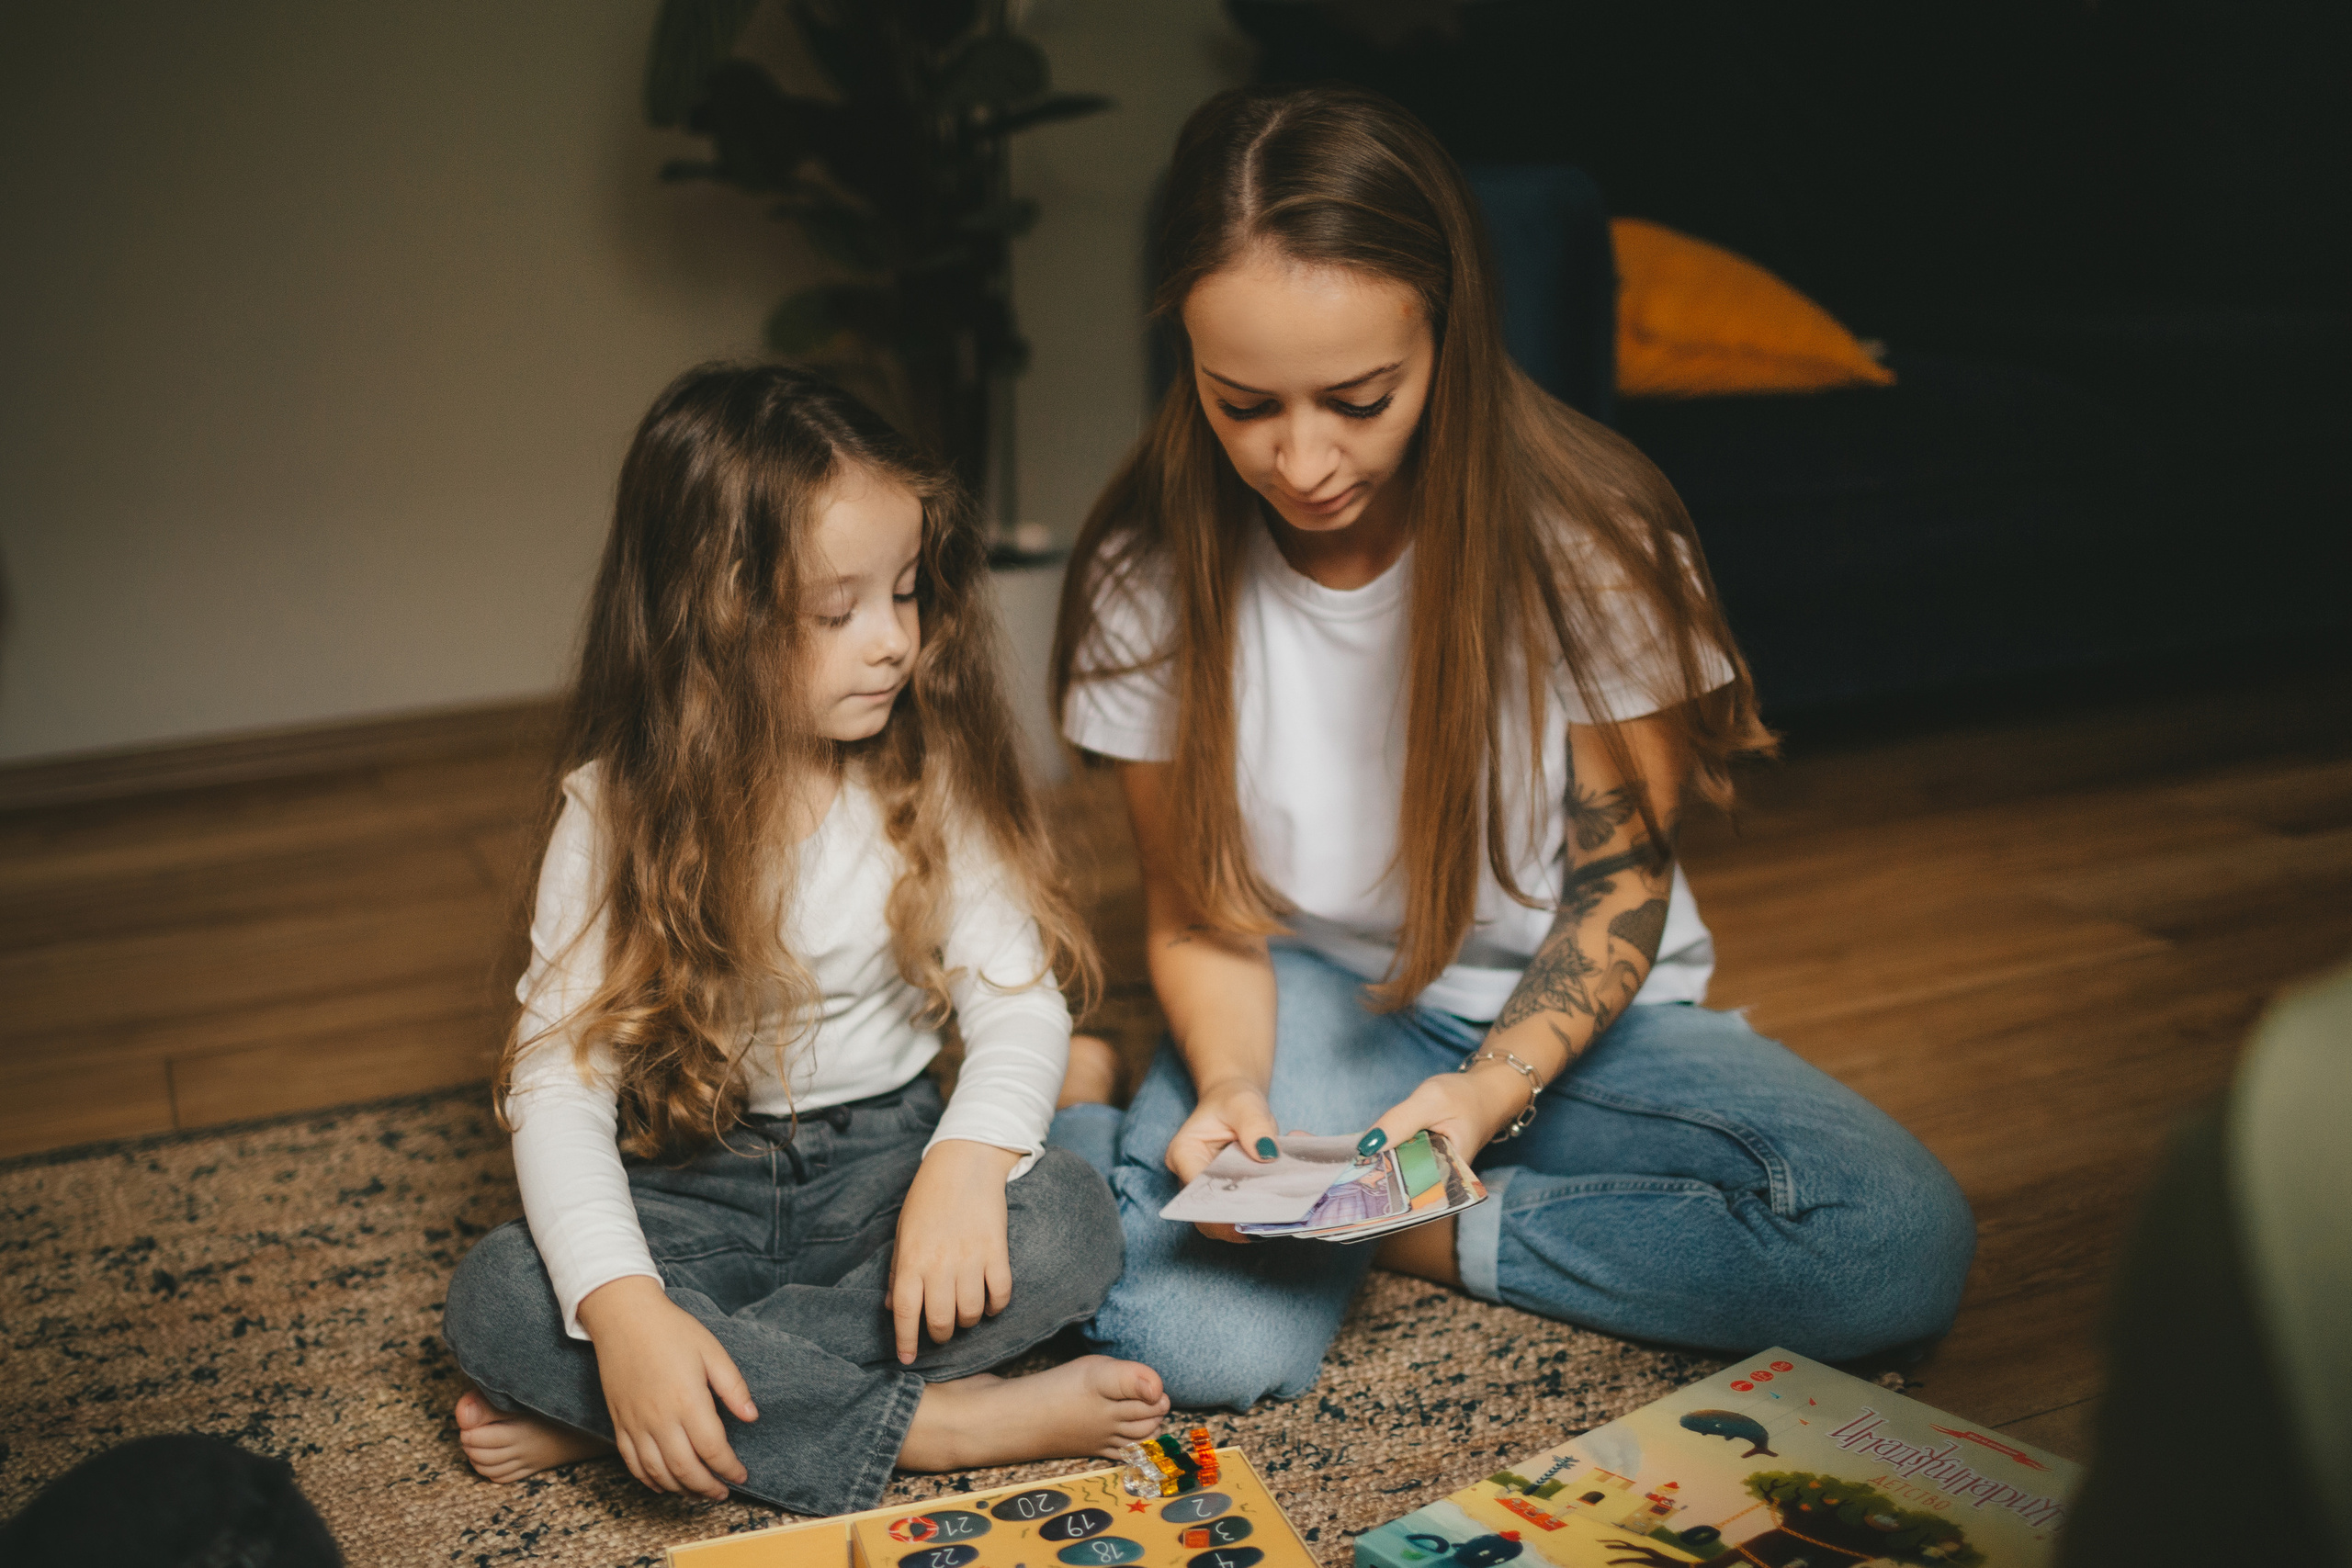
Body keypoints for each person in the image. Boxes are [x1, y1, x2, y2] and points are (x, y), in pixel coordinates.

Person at [1048, 85, 1976, 1411]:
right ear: (1184, 354)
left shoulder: (1587, 538)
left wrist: (1479, 1102)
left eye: (1360, 398)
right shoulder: (1147, 569)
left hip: (1563, 1024)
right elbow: (1199, 917)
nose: (1302, 460)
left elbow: (1618, 887)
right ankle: (1098, 1114)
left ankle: (1406, 1223)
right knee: (1196, 1346)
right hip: (1306, 991)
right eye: (1244, 402)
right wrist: (1241, 1084)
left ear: (1449, 333)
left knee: (1887, 1239)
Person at [441, 364, 1168, 1518]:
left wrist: (965, 1163)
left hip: (887, 1168)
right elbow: (557, 1082)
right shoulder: (615, 807)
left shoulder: (928, 773)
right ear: (712, 615)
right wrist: (627, 1311)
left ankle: (652, 1412)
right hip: (690, 1178)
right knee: (496, 1297)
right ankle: (931, 1429)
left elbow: (1019, 1004)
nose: (892, 643)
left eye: (906, 593)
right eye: (838, 612)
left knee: (1072, 1223)